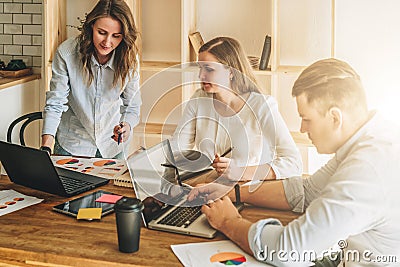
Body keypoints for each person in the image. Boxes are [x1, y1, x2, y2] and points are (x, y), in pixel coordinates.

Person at [188, 58, 400, 266]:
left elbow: (289, 251)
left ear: (335, 118)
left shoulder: (367, 170)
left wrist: (228, 222)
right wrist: (231, 192)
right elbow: (306, 192)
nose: (302, 129)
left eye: (306, 119)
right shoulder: (371, 138)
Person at [171, 37, 302, 182]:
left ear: (231, 71)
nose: (201, 75)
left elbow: (293, 163)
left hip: (247, 194)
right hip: (204, 189)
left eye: (209, 69)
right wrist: (167, 188)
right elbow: (177, 151)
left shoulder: (262, 106)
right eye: (200, 68)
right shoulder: (198, 100)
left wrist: (242, 172)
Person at [41, 0, 141, 159]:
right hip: (73, 143)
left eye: (116, 36)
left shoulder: (129, 59)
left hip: (112, 146)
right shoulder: (67, 53)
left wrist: (126, 126)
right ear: (91, 26)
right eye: (102, 32)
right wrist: (46, 146)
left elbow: (132, 106)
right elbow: (55, 102)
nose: (107, 42)